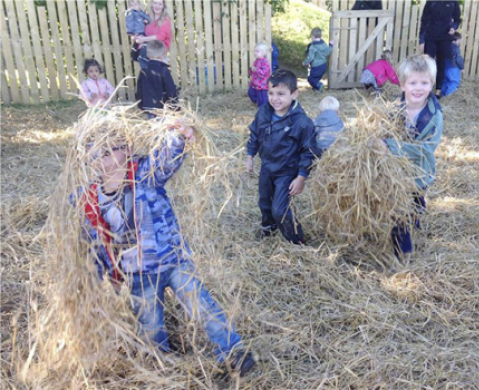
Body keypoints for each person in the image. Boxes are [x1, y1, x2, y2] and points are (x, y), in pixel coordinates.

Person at [76, 116, 255, 377]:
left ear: (126, 149)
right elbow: (96, 241)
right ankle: (164, 368)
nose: (100, 156)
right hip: (138, 273)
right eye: (94, 151)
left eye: (108, 149)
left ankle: (232, 352)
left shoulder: (144, 173)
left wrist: (179, 135)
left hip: (172, 259)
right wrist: (104, 277)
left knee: (201, 304)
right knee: (150, 326)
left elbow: (168, 158)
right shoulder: (91, 198)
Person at [381, 54, 443, 257]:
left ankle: (417, 210)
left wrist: (389, 146)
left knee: (415, 199)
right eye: (413, 82)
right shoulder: (393, 109)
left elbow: (426, 149)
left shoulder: (434, 117)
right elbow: (382, 131)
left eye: (424, 83)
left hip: (419, 171)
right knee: (399, 208)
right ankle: (403, 249)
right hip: (396, 171)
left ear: (431, 84)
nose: (418, 88)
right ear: (402, 85)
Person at [246, 69, 318, 244]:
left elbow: (308, 151)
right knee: (264, 201)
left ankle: (296, 238)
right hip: (267, 166)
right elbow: (255, 134)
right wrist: (249, 155)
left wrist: (301, 177)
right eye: (271, 93)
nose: (274, 98)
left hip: (286, 171)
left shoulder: (301, 123)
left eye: (281, 94)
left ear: (294, 94)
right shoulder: (264, 112)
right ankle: (268, 228)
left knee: (279, 209)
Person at [419, 0, 461, 99]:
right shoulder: (431, 2)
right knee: (428, 64)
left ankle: (438, 91)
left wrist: (453, 28)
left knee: (441, 64)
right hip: (430, 37)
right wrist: (421, 40)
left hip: (445, 38)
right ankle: (426, 90)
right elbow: (424, 21)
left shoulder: (453, 2)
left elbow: (458, 19)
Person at [135, 40, 178, 119]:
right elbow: (170, 88)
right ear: (162, 56)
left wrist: (140, 104)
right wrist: (174, 104)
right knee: (163, 125)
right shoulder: (163, 70)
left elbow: (139, 89)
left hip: (148, 106)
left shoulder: (144, 70)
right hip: (161, 107)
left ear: (148, 55)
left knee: (153, 126)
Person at [134, 0, 172, 69]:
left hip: (158, 53)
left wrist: (143, 39)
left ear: (163, 6)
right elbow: (142, 30)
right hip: (146, 52)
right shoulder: (148, 17)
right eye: (155, 3)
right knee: (146, 74)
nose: (157, 6)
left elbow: (160, 36)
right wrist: (137, 37)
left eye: (160, 4)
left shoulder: (166, 20)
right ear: (152, 4)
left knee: (155, 76)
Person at [248, 42, 271, 107]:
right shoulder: (256, 61)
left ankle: (264, 107)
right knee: (251, 93)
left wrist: (256, 70)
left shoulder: (265, 62)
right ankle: (256, 101)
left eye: (257, 51)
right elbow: (253, 71)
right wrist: (251, 70)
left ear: (263, 53)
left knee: (262, 98)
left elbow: (265, 73)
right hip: (254, 83)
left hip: (262, 84)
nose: (255, 52)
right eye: (255, 51)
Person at [441, 32, 464, 97]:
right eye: (459, 40)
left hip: (444, 67)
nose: (460, 42)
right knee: (453, 82)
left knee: (445, 82)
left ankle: (443, 96)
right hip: (453, 68)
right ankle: (449, 97)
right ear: (455, 40)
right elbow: (458, 59)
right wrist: (462, 67)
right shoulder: (455, 48)